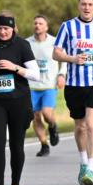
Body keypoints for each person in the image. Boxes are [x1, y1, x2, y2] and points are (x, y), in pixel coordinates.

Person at [53, 0, 93, 185]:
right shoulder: (67, 26)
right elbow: (56, 53)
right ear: (78, 6)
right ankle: (83, 162)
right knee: (80, 126)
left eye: (90, 4)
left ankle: (92, 169)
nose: (87, 8)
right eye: (83, 4)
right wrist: (72, 59)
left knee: (91, 124)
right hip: (74, 84)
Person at [0, 11, 38, 185]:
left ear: (13, 28)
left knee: (17, 144)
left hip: (19, 100)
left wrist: (15, 67)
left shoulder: (23, 45)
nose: (3, 32)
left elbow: (36, 74)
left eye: (6, 28)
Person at [25, 15, 65, 157]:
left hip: (49, 84)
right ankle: (44, 145)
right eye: (35, 23)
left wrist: (61, 75)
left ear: (46, 27)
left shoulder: (55, 42)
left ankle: (53, 126)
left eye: (41, 23)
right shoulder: (26, 43)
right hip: (31, 86)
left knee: (47, 113)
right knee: (35, 116)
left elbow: (64, 60)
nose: (37, 25)